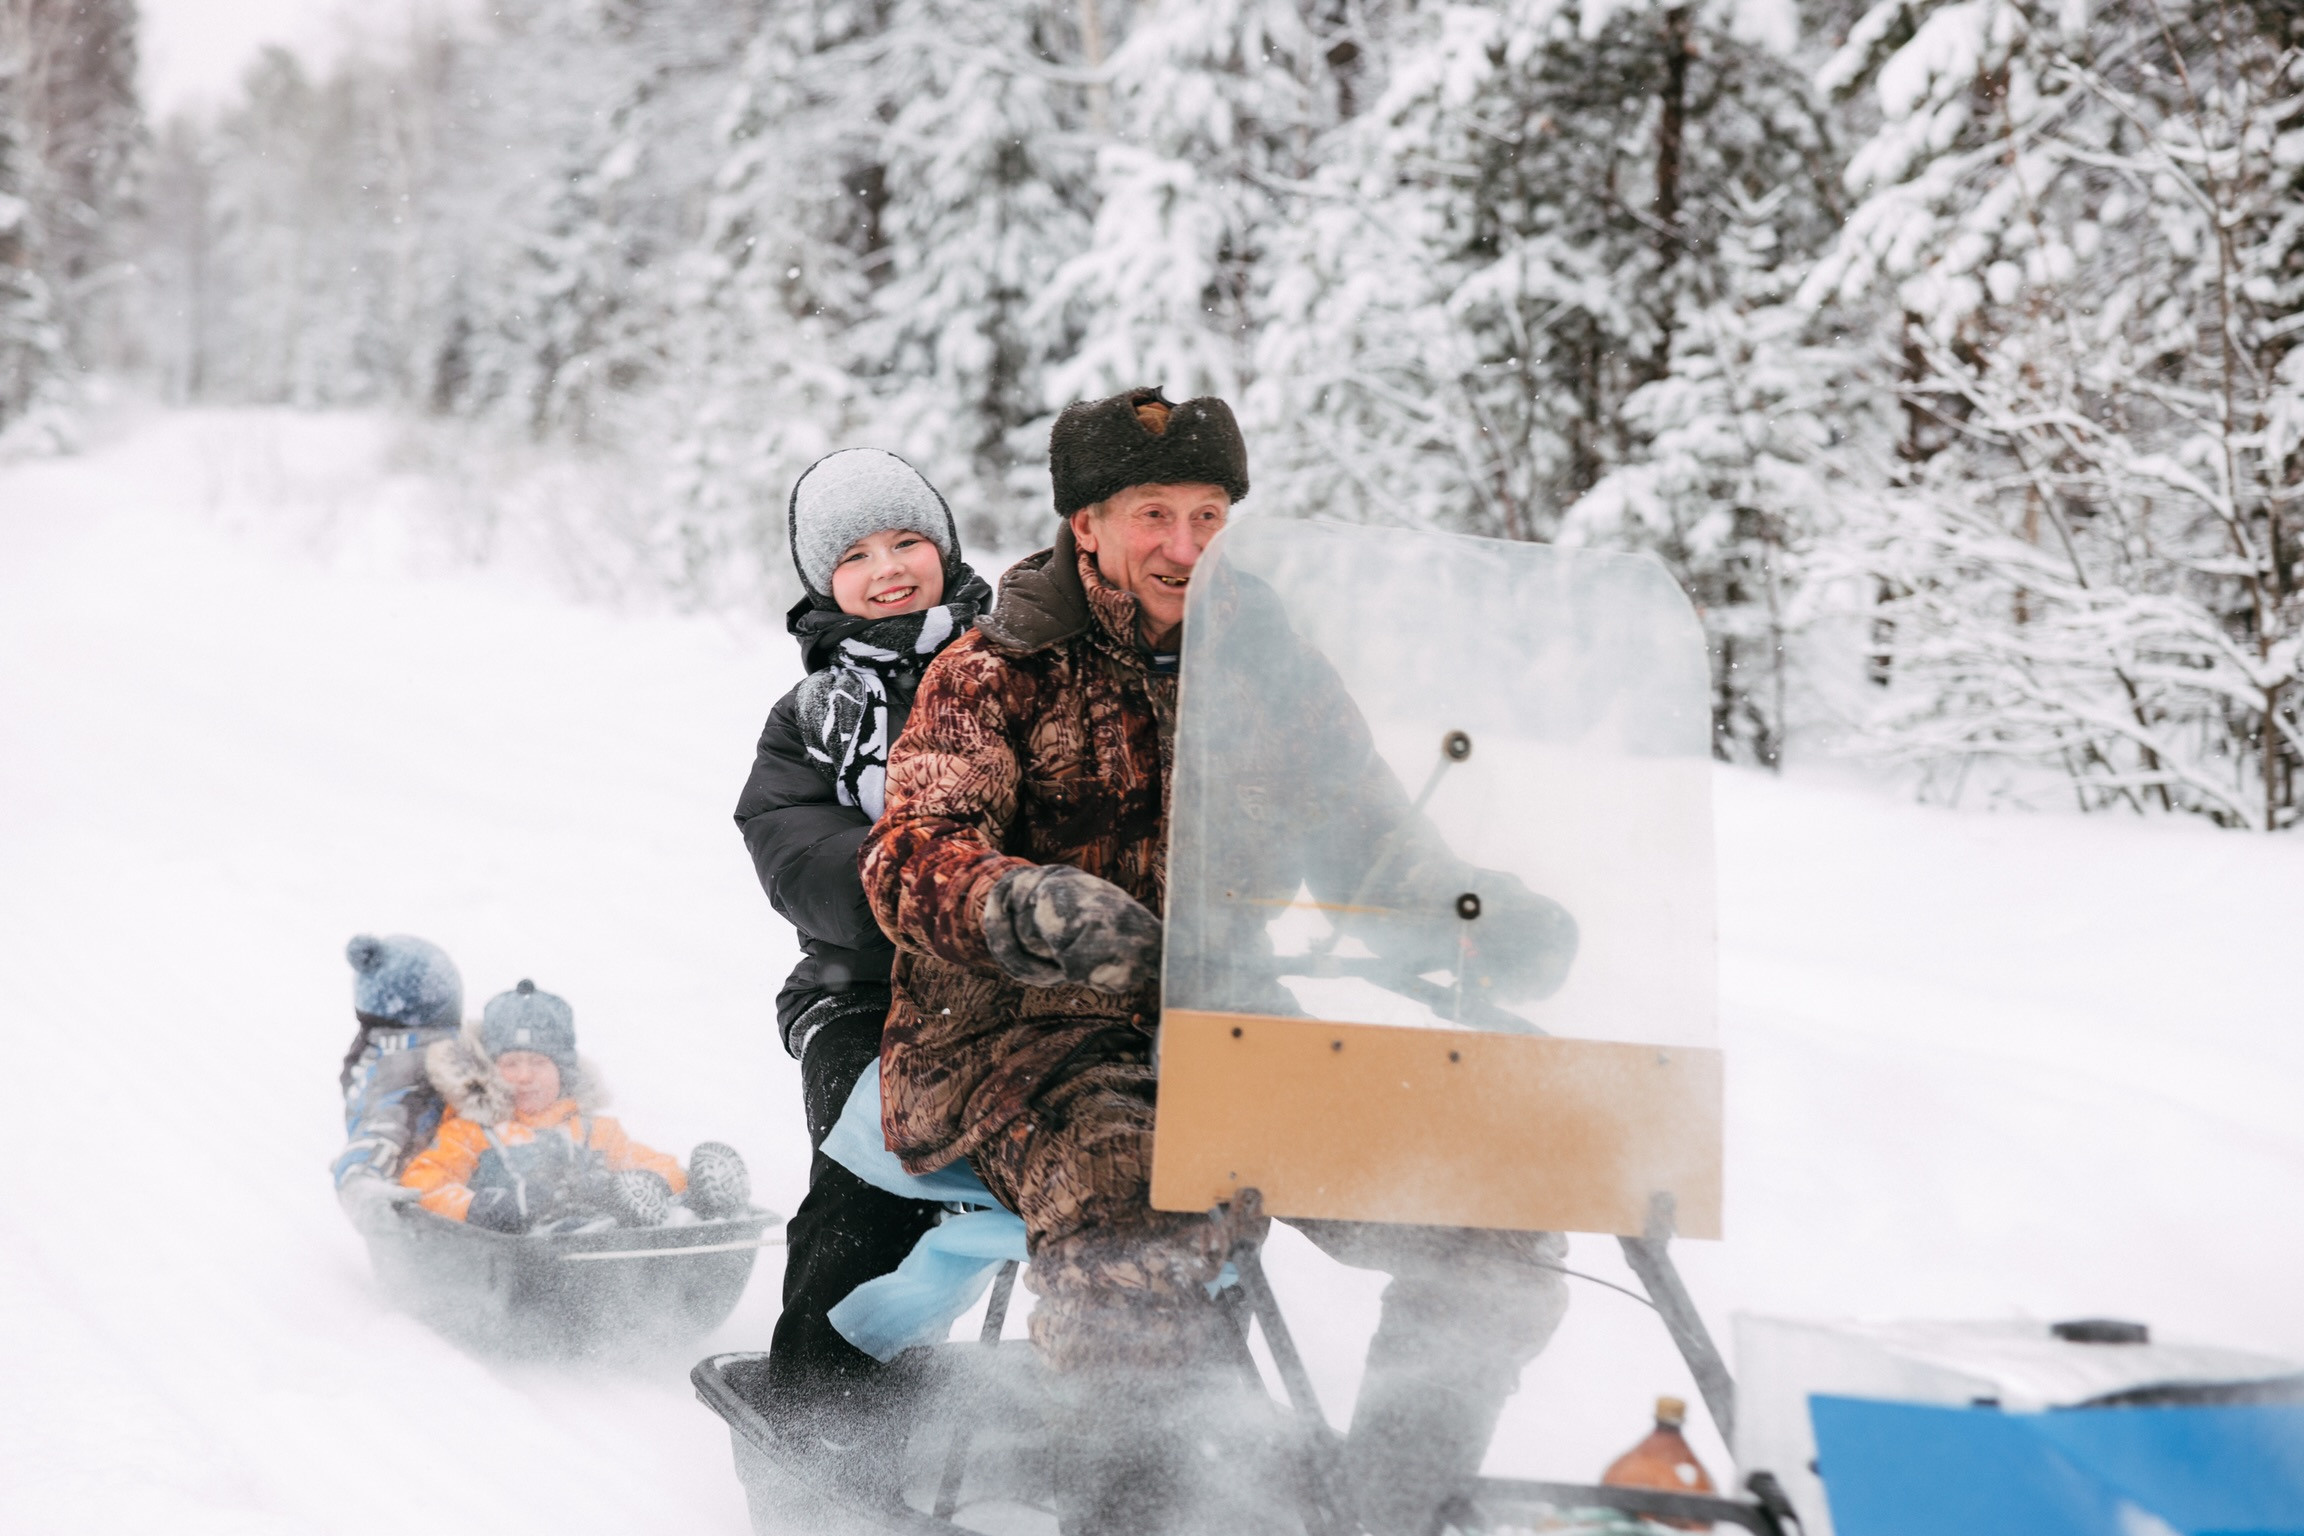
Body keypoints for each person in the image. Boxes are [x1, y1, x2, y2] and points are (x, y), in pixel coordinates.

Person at [862, 387, 1579, 1536]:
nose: (1186, 547)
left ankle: (1384, 1508)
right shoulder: (998, 667)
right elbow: (910, 857)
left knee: (1491, 1221)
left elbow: (1370, 838)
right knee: (1142, 1230)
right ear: (1086, 523)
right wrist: (1033, 906)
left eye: (1210, 514)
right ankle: (1128, 1516)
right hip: (1015, 1043)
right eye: (1154, 514)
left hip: (1231, 1024)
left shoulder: (1268, 664)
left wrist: (1478, 915)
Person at [731, 449, 995, 1450]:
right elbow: (796, 855)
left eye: (907, 542)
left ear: (946, 549)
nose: (888, 569)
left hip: (1030, 991)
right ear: (821, 581)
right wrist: (943, 886)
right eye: (855, 555)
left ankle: (1112, 1421)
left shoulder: (1022, 672)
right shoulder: (809, 720)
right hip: (866, 992)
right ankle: (816, 1426)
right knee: (872, 1181)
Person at [401, 979, 750, 1232]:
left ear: (563, 1072)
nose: (524, 1077)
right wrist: (482, 1207)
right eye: (510, 1064)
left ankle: (705, 1203)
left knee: (633, 1203)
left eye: (538, 1063)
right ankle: (675, 1216)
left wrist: (652, 1183)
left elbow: (653, 1164)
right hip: (528, 1253)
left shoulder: (592, 1131)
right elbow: (425, 1182)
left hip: (606, 1246)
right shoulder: (471, 1131)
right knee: (564, 1228)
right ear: (492, 1071)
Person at [333, 933, 464, 1231]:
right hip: (425, 1205)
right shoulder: (408, 1066)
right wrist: (362, 1180)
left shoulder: (379, 1051)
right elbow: (383, 1126)